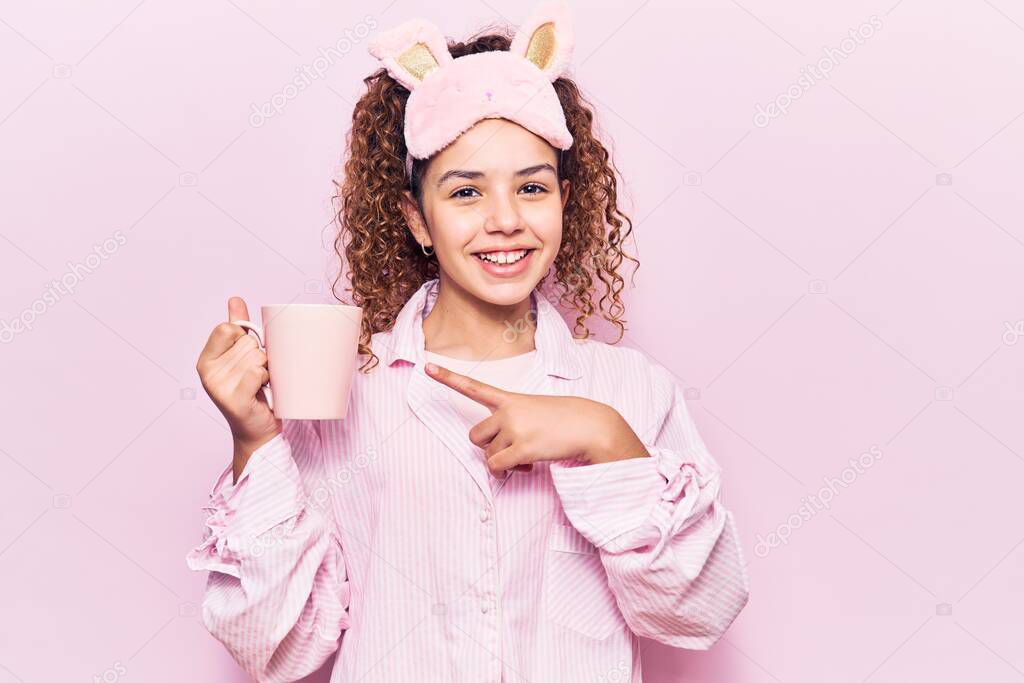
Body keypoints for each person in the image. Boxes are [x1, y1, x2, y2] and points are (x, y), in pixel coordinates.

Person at [187, 2, 750, 681]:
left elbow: (697, 612)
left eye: (532, 187)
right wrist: (254, 441)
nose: (505, 220)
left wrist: (603, 437)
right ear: (416, 219)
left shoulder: (631, 390)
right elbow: (277, 646)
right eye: (465, 193)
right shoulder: (346, 397)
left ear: (565, 204)